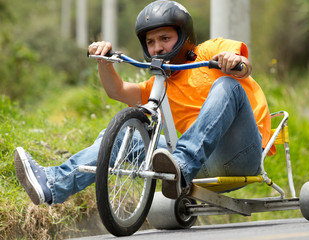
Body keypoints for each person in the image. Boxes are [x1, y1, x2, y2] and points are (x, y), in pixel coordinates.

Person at [14, 0, 275, 204]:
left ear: (184, 38)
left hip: (242, 154)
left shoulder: (210, 52)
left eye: (165, 38)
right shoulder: (158, 86)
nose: (157, 48)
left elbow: (243, 67)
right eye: (150, 42)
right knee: (122, 136)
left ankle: (181, 166)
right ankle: (53, 183)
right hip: (199, 164)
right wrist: (104, 61)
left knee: (227, 85)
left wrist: (234, 63)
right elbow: (117, 90)